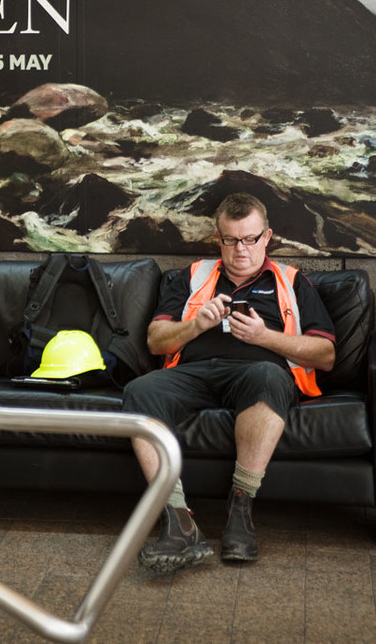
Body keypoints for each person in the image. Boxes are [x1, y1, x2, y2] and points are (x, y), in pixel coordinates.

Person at [123, 192, 335, 573]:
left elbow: (325, 354)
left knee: (268, 374)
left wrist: (264, 337)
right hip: (194, 372)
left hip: (259, 371)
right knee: (141, 390)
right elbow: (156, 341)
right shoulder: (192, 276)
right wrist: (195, 325)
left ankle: (241, 508)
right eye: (232, 239)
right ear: (218, 238)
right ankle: (178, 522)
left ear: (266, 237)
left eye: (250, 239)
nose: (241, 249)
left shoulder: (292, 282)